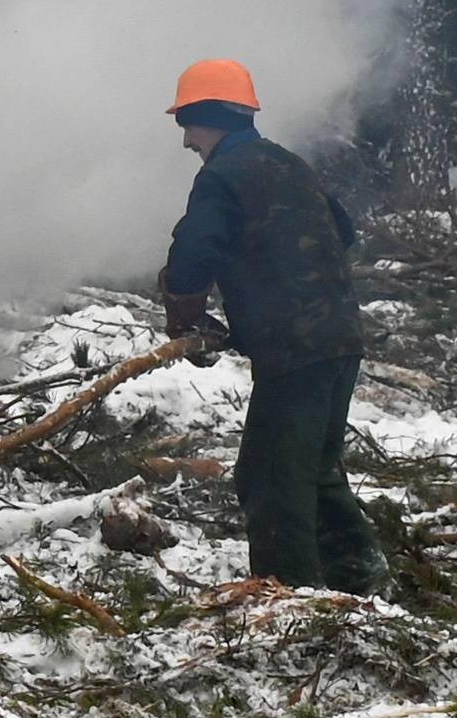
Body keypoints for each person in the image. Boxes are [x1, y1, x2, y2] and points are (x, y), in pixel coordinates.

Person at [155, 58, 377, 598]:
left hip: (294, 349)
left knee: (270, 477)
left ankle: (291, 601)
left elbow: (191, 256)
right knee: (317, 468)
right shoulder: (289, 164)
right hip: (341, 338)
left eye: (188, 124)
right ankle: (360, 582)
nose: (186, 141)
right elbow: (340, 233)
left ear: (207, 117)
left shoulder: (222, 175)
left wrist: (183, 313)